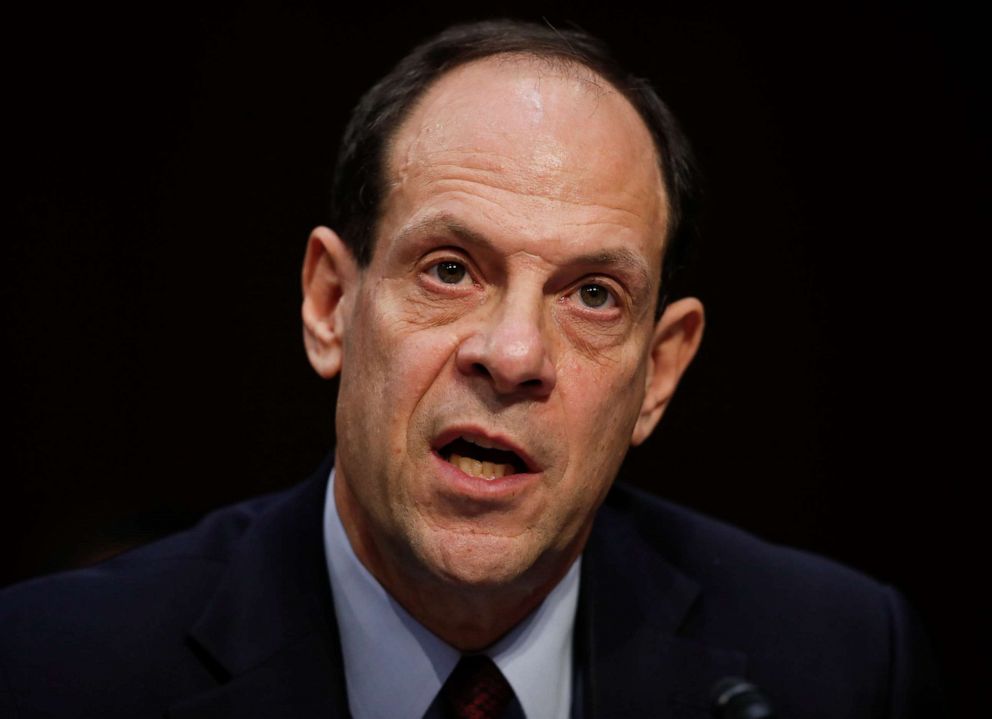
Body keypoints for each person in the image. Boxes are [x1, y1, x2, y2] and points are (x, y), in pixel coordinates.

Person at [1, 19, 942, 719]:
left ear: (658, 373)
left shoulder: (839, 665)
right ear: (331, 303)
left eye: (593, 296)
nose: (515, 354)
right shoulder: (51, 671)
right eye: (450, 270)